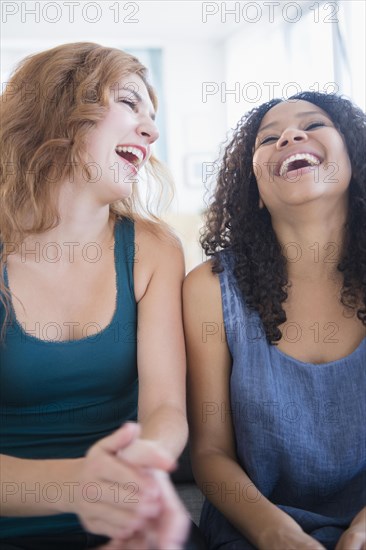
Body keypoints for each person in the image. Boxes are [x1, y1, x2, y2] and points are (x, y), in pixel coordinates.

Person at [0, 42, 191, 550]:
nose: (151, 131)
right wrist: (86, 485)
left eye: (153, 117)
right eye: (129, 103)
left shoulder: (153, 249)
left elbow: (166, 409)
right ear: (59, 109)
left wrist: (138, 477)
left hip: (124, 513)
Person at [183, 91, 366, 550]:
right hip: (255, 528)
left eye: (315, 124)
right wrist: (274, 532)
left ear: (355, 161)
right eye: (268, 138)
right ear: (256, 193)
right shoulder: (208, 289)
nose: (290, 134)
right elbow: (210, 452)